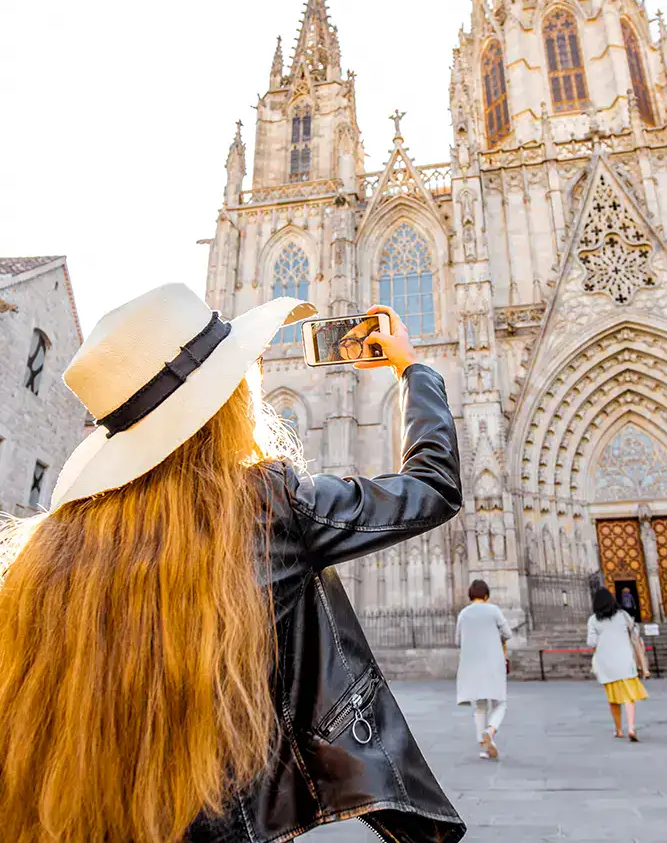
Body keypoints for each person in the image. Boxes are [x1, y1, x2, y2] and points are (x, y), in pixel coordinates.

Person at [0, 286, 466, 843]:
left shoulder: (46, 556)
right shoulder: (264, 506)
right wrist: (412, 371)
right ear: (226, 403)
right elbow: (431, 488)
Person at [455, 579, 512, 760]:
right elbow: (507, 633)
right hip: (493, 662)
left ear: (471, 596)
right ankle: (491, 730)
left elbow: (458, 641)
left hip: (471, 665)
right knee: (500, 702)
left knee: (479, 706)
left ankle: (483, 746)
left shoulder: (463, 614)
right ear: (486, 595)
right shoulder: (493, 610)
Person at [587, 586, 648, 743]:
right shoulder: (623, 615)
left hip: (606, 663)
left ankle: (619, 730)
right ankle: (631, 728)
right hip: (625, 660)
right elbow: (635, 633)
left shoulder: (593, 620)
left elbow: (591, 642)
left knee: (613, 698)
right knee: (629, 697)